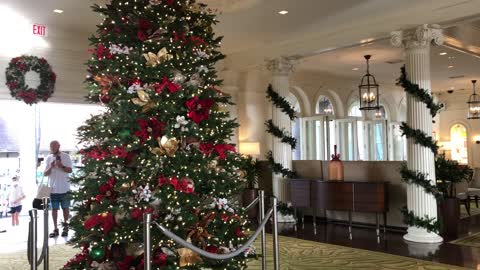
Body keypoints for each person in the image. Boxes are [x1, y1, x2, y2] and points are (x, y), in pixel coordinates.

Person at [44, 140, 72, 238]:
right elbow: (45, 173)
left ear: (59, 146)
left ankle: (66, 227)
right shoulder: (48, 158)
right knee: (54, 210)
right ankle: (55, 229)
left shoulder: (66, 156)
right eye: (51, 146)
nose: (52, 148)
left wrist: (62, 166)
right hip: (53, 189)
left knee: (66, 209)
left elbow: (70, 170)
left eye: (54, 146)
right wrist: (51, 167)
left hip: (65, 188)